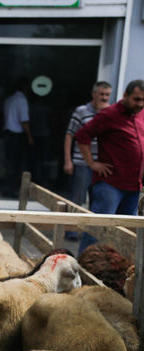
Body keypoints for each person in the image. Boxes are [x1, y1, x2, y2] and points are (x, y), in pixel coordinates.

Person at [75, 79, 144, 255]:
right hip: (110, 184)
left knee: (127, 233)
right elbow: (82, 136)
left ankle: (118, 274)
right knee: (98, 230)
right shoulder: (109, 115)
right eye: (136, 99)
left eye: (143, 100)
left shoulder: (141, 113)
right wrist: (92, 163)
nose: (140, 104)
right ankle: (84, 269)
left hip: (134, 185)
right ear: (125, 95)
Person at [62, 81, 112, 240]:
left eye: (107, 95)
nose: (104, 97)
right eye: (101, 94)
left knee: (98, 199)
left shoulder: (111, 113)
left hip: (102, 164)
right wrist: (68, 160)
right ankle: (71, 231)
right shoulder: (82, 111)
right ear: (94, 94)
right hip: (82, 162)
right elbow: (70, 135)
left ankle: (91, 233)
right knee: (77, 198)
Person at [2, 78, 33, 197]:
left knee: (9, 163)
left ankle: (8, 188)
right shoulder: (21, 100)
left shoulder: (9, 99)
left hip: (7, 134)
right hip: (16, 135)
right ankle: (11, 190)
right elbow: (24, 121)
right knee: (15, 165)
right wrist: (30, 137)